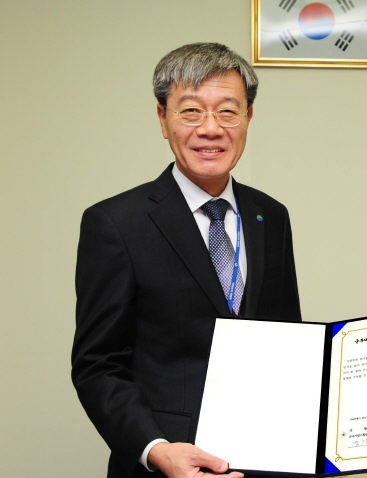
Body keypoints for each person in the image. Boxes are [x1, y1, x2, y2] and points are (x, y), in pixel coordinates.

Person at [71, 43, 301, 478]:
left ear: (249, 117)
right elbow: (97, 365)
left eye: (228, 112)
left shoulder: (271, 215)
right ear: (163, 119)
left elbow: (287, 342)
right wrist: (156, 450)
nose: (210, 129)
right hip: (165, 464)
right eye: (191, 111)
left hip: (264, 461)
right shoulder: (115, 223)